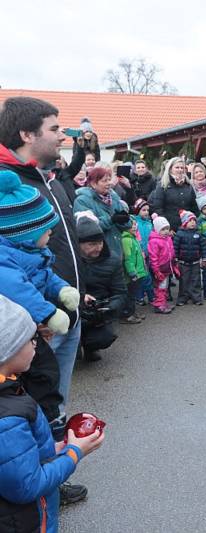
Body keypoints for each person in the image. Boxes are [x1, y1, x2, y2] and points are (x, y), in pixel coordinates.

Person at [0, 99, 86, 485]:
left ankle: (51, 472)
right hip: (31, 326)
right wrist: (31, 319)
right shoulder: (8, 183)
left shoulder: (45, 176)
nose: (62, 135)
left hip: (64, 309)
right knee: (31, 403)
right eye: (54, 128)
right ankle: (37, 481)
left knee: (53, 399)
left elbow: (55, 250)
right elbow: (8, 268)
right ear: (26, 134)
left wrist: (74, 293)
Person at [0, 295, 105, 533]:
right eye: (30, 339)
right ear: (8, 350)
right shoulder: (7, 418)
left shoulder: (9, 387)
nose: (37, 344)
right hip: (25, 522)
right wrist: (74, 454)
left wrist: (50, 451)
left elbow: (11, 461)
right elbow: (27, 485)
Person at [0, 169, 77, 338]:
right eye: (44, 228)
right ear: (25, 233)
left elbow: (44, 275)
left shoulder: (30, 252)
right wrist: (48, 314)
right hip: (16, 335)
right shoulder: (3, 260)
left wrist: (61, 289)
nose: (50, 231)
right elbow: (17, 290)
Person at [75, 213, 127, 361]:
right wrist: (80, 296)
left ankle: (91, 347)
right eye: (91, 244)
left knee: (105, 337)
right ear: (79, 244)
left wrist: (109, 308)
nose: (98, 247)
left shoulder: (113, 260)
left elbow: (120, 292)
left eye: (100, 242)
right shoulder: (70, 260)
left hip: (99, 309)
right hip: (74, 305)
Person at [73, 166, 129, 260]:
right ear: (94, 184)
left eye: (109, 180)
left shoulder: (114, 198)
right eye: (104, 181)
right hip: (98, 254)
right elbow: (87, 229)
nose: (109, 183)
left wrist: (125, 220)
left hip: (117, 250)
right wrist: (111, 220)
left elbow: (127, 225)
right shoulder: (82, 201)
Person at [148, 157, 198, 232]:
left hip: (188, 228)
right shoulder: (162, 186)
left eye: (182, 168)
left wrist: (193, 222)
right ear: (170, 169)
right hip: (171, 229)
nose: (180, 170)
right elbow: (158, 208)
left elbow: (195, 207)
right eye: (177, 167)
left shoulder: (188, 186)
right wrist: (167, 228)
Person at [172, 210, 206, 306]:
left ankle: (197, 297)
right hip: (183, 262)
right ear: (185, 223)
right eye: (190, 221)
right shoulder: (179, 234)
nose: (193, 223)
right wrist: (175, 259)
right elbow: (175, 247)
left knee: (196, 280)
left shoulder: (198, 234)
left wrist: (204, 259)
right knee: (184, 280)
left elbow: (203, 247)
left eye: (194, 221)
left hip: (195, 262)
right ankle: (183, 298)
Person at [147, 216, 176, 314]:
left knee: (165, 286)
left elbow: (171, 252)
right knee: (160, 287)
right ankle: (159, 305)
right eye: (163, 229)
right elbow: (153, 258)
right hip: (160, 269)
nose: (166, 231)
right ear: (157, 229)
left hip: (167, 267)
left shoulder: (168, 239)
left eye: (167, 228)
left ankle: (163, 303)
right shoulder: (154, 241)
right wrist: (156, 270)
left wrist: (174, 264)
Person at [132, 199, 155, 305]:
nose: (146, 212)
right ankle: (141, 297)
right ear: (137, 211)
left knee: (149, 275)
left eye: (147, 210)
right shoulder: (135, 223)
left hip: (150, 253)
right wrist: (141, 250)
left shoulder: (149, 223)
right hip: (140, 254)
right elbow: (137, 238)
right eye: (143, 210)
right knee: (143, 276)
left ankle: (151, 296)